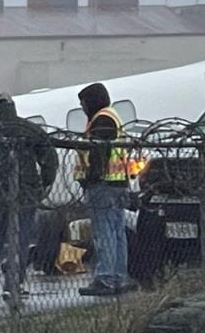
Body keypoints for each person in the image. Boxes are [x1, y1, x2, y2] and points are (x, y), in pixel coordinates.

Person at [0, 93, 58, 303]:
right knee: (21, 237)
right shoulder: (29, 129)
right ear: (13, 106)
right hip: (26, 190)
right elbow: (49, 158)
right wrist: (44, 182)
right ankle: (14, 283)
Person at [75, 83, 134, 296]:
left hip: (103, 185)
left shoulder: (101, 120)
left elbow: (99, 153)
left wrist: (91, 177)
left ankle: (106, 278)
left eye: (83, 103)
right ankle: (118, 276)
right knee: (117, 232)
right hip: (117, 183)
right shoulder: (113, 116)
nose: (82, 107)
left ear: (92, 101)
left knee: (104, 233)